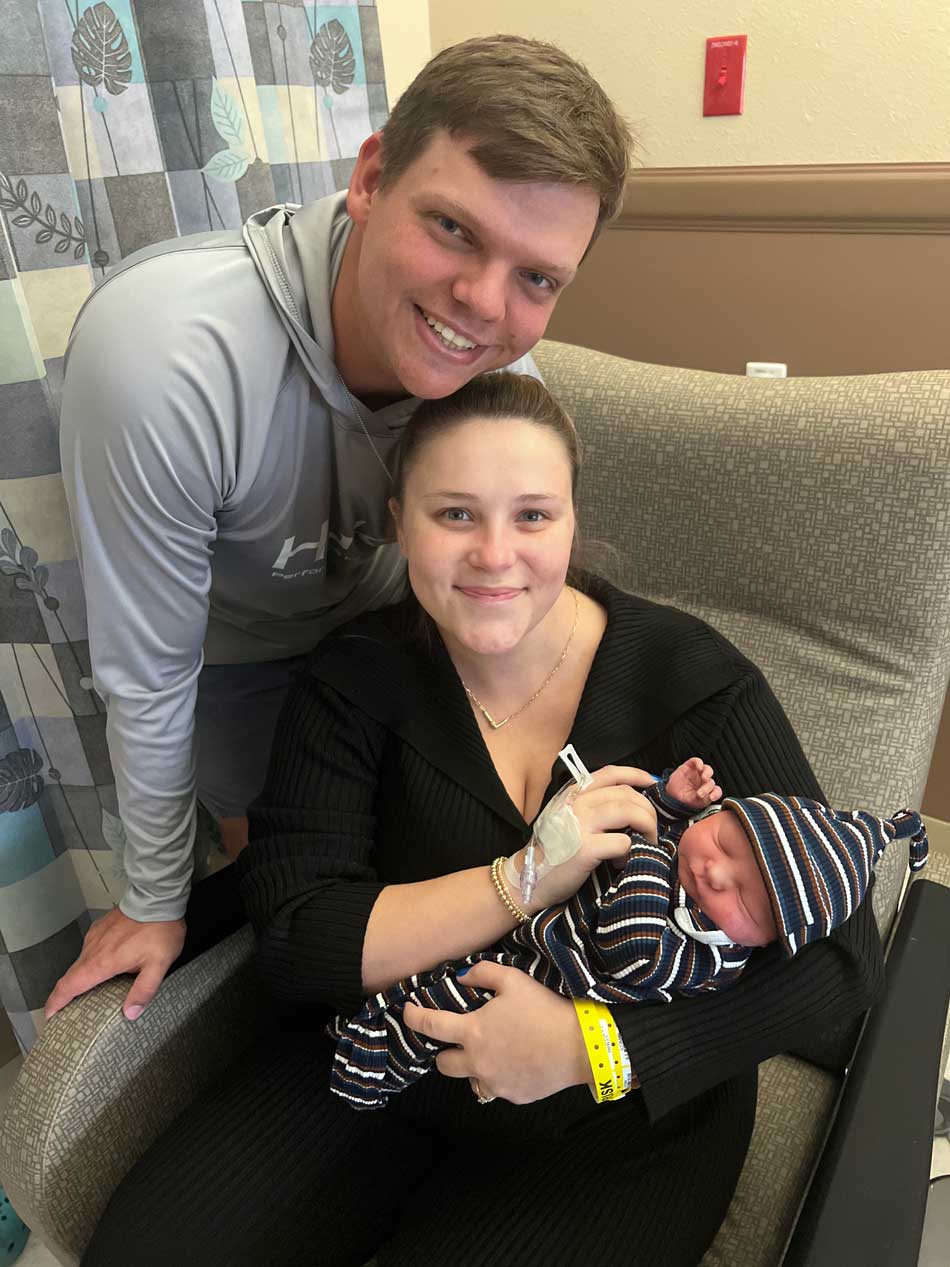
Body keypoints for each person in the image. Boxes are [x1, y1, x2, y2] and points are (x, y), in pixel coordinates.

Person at [82, 372, 883, 1267]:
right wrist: (524, 880)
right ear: (399, 519)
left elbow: (846, 964)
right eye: (455, 514)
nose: (495, 555)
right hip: (383, 1052)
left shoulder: (696, 683)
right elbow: (303, 938)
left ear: (574, 521)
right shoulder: (355, 680)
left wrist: (592, 1046)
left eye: (533, 515)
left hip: (619, 1120)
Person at [47, 35, 633, 1023]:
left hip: (395, 632)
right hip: (234, 658)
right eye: (451, 228)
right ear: (369, 179)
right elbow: (148, 668)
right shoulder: (167, 357)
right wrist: (151, 899)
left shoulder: (501, 387)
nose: (482, 304)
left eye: (536, 278)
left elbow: (532, 598)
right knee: (295, 905)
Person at [329, 756, 928, 1110]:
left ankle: (372, 1062)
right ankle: (362, 1021)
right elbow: (674, 836)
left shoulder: (706, 956)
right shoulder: (689, 864)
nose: (713, 872)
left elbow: (628, 942)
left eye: (745, 897)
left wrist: (644, 848)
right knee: (432, 969)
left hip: (550, 981)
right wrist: (668, 800)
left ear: (763, 942)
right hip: (534, 935)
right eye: (722, 838)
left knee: (445, 1001)